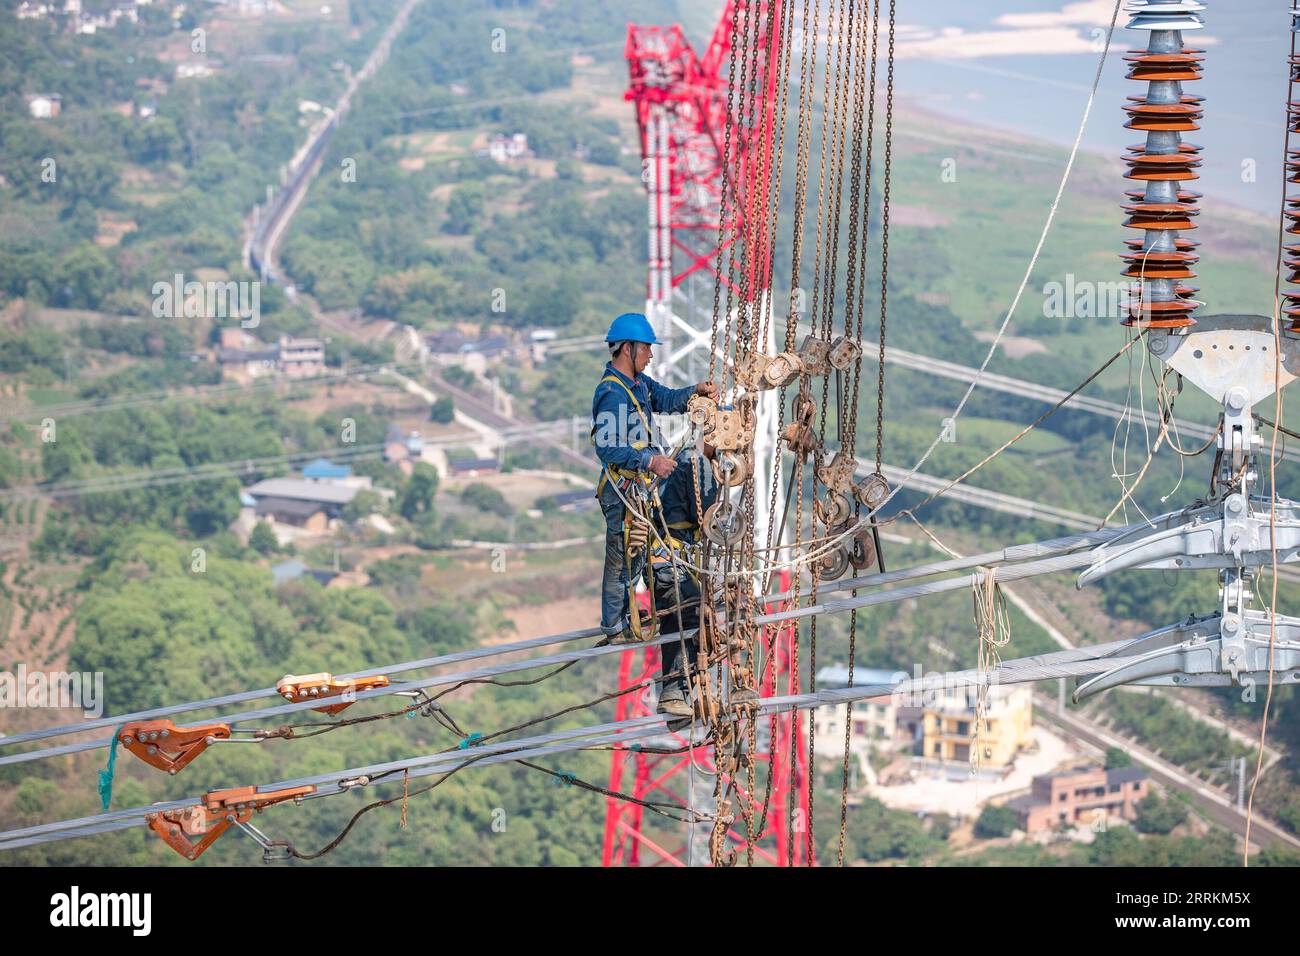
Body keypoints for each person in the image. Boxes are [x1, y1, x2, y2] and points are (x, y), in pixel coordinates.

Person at [591, 312, 717, 646]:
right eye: (646, 349)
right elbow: (607, 448)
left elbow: (665, 399)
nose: (650, 355)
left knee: (634, 556)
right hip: (623, 491)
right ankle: (613, 627)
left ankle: (624, 617)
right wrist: (650, 461)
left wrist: (694, 392)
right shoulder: (612, 393)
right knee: (622, 558)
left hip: (641, 490)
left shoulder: (639, 385)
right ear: (626, 349)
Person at [648, 444, 718, 716]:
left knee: (673, 622)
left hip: (662, 560)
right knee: (689, 615)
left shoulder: (676, 460)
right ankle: (675, 693)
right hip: (671, 563)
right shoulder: (694, 461)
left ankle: (675, 701)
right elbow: (709, 516)